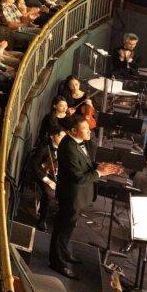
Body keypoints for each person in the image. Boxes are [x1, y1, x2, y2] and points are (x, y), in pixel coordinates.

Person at [50, 113, 121, 278]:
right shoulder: (67, 147)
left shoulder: (79, 143)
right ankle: (56, 262)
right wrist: (99, 172)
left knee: (68, 228)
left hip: (77, 196)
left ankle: (64, 253)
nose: (89, 132)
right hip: (70, 196)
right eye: (85, 129)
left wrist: (100, 166)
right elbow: (79, 178)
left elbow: (84, 166)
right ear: (74, 131)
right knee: (61, 230)